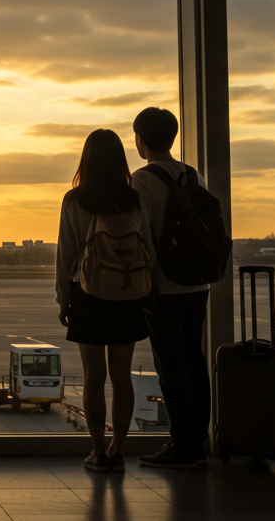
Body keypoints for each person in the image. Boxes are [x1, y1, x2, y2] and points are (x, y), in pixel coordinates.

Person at [55, 129, 155, 472]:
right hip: (127, 293)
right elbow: (147, 250)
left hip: (88, 294)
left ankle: (97, 451)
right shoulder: (133, 200)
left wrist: (64, 299)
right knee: (121, 376)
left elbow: (66, 254)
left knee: (93, 376)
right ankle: (118, 450)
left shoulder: (74, 200)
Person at [131, 107, 211, 469]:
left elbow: (142, 236)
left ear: (140, 140)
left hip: (164, 288)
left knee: (171, 368)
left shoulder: (142, 180)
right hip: (197, 284)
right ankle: (198, 442)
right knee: (194, 360)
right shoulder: (192, 175)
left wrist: (143, 284)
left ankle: (183, 445)